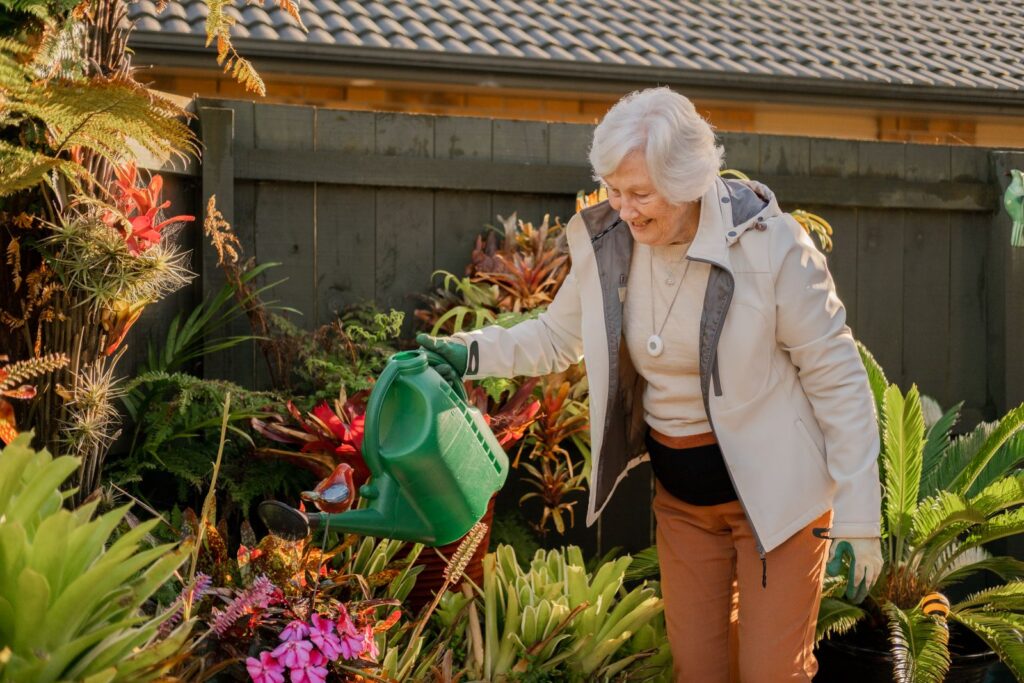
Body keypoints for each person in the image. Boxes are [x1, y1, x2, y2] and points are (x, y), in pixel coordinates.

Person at [418, 87, 883, 682]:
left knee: (773, 673)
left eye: (640, 193)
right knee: (700, 672)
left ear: (688, 180)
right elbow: (558, 336)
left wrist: (860, 519)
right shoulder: (609, 242)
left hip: (780, 505)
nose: (624, 208)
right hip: (685, 503)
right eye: (613, 189)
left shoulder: (773, 246)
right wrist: (467, 353)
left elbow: (837, 377)